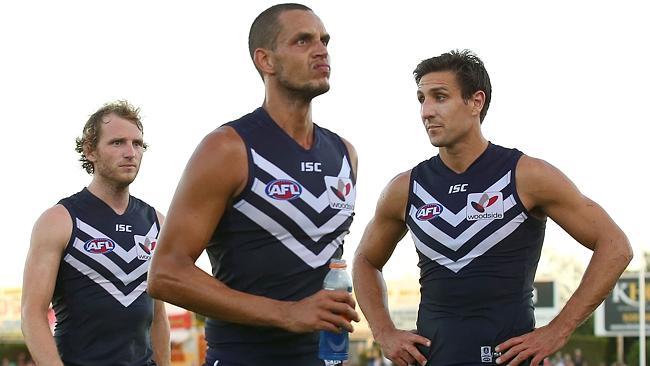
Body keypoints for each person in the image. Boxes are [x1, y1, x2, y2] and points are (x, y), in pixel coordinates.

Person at [352, 49, 632, 366]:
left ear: (476, 102)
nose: (426, 111)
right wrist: (383, 331)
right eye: (421, 99)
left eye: (440, 97)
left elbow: (615, 246)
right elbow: (365, 260)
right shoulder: (405, 188)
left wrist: (558, 330)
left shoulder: (527, 175)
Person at [147, 3, 359, 366]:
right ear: (266, 60)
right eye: (302, 40)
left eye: (324, 40)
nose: (321, 50)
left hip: (325, 358)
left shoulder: (345, 154)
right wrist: (288, 313)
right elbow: (166, 274)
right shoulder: (227, 148)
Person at [21, 101, 170, 365]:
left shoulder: (157, 222)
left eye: (137, 143)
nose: (130, 152)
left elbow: (158, 316)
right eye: (117, 143)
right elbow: (32, 314)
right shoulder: (59, 220)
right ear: (90, 150)